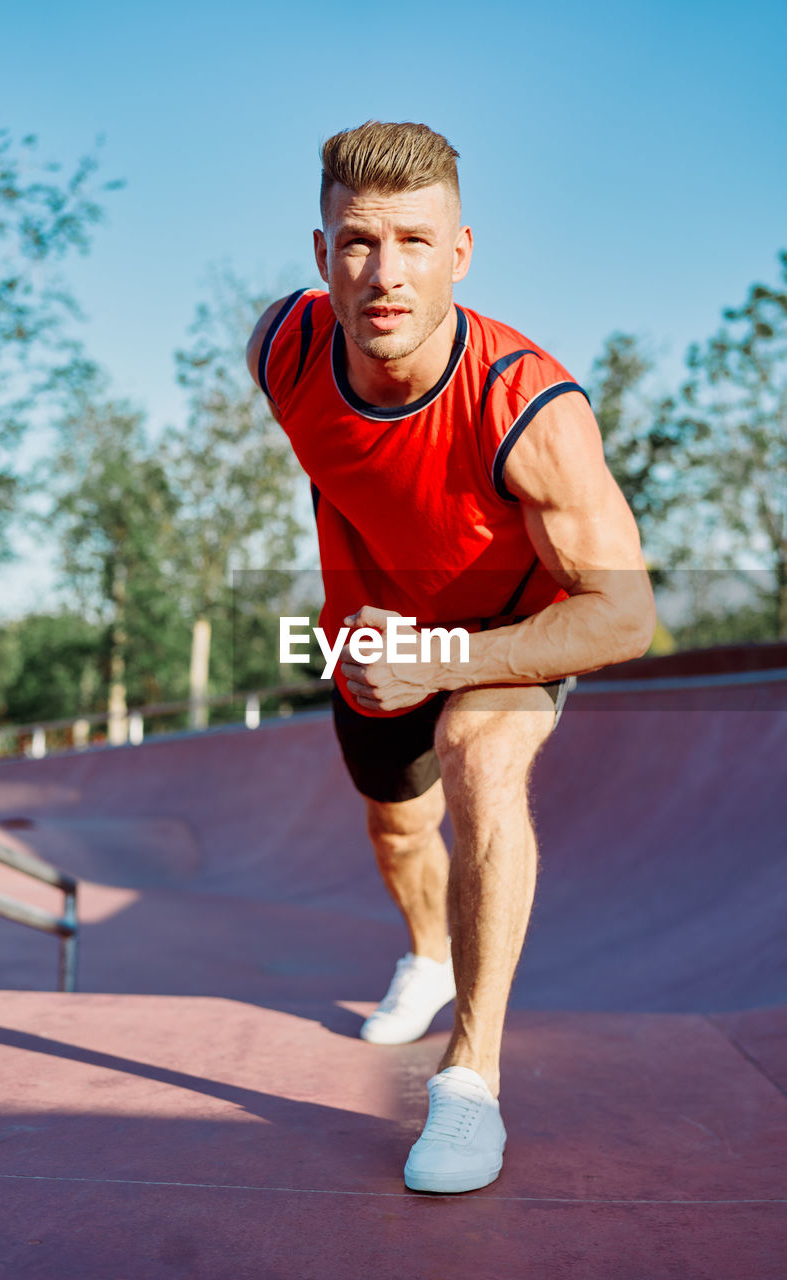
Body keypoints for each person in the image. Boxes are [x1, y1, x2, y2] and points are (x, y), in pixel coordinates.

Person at [246, 121, 655, 1194]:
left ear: (460, 251)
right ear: (322, 250)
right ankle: (426, 951)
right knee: (395, 820)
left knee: (478, 754)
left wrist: (442, 659)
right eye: (358, 242)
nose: (385, 272)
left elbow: (625, 616)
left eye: (416, 241)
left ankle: (470, 1079)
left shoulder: (529, 409)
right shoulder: (282, 350)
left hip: (509, 630)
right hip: (369, 629)